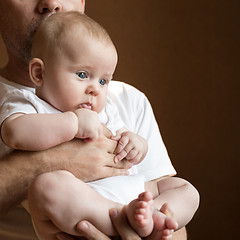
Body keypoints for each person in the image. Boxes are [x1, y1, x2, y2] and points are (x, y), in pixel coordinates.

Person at [0, 11, 199, 240]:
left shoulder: (113, 105)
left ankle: (153, 217)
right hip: (88, 201)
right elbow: (14, 132)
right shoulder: (27, 103)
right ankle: (120, 221)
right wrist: (72, 123)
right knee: (47, 188)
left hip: (135, 194)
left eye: (103, 81)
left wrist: (136, 144)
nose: (95, 89)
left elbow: (122, 136)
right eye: (83, 74)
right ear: (39, 72)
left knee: (186, 191)